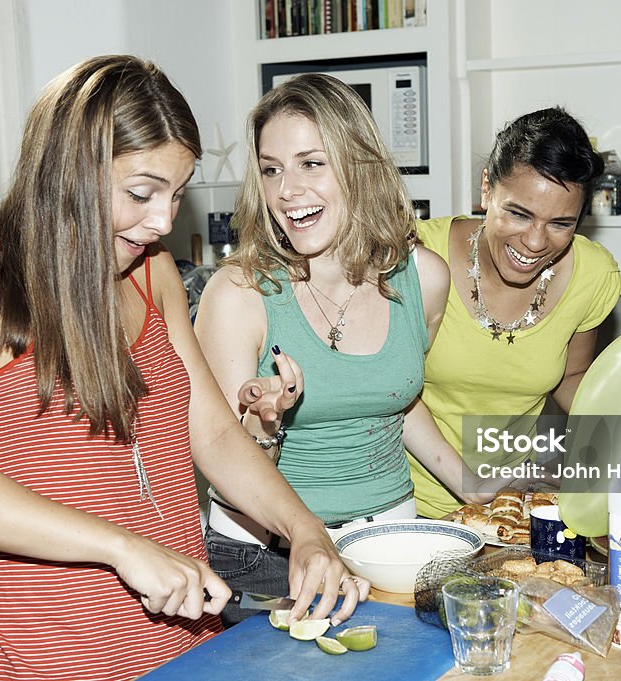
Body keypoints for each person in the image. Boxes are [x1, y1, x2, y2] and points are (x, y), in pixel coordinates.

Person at [0, 55, 362, 681]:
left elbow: (214, 432)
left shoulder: (151, 269)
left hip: (185, 652)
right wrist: (121, 547)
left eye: (177, 195)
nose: (163, 220)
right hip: (41, 661)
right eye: (141, 193)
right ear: (69, 172)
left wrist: (303, 530)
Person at [193, 73, 490, 624]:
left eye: (311, 163)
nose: (287, 191)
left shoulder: (423, 277)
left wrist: (474, 485)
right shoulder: (238, 294)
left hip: (394, 544)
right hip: (267, 558)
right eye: (272, 169)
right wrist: (264, 425)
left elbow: (397, 400)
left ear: (360, 165)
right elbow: (223, 453)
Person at [406, 107, 621, 519]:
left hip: (508, 503)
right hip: (404, 501)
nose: (536, 242)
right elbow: (387, 392)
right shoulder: (417, 258)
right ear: (486, 187)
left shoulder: (594, 276)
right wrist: (468, 482)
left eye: (562, 223)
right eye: (518, 214)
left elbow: (571, 377)